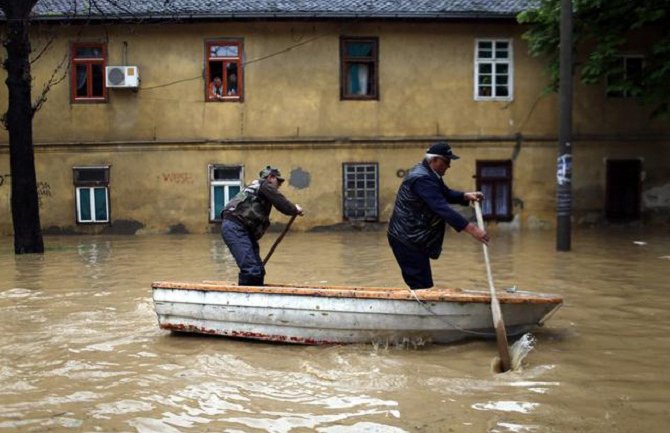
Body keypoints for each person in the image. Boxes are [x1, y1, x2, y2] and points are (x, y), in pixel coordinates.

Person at [387, 142, 489, 290]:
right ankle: (422, 311)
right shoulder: (422, 178)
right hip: (406, 238)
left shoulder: (429, 173)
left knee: (423, 284)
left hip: (414, 237)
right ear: (434, 160)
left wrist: (465, 196)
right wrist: (472, 229)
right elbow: (441, 207)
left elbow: (444, 193)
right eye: (446, 162)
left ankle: (423, 308)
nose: (449, 166)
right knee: (421, 285)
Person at [221, 166, 303, 286]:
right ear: (271, 177)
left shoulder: (256, 187)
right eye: (278, 181)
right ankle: (245, 299)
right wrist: (294, 209)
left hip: (243, 230)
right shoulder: (264, 185)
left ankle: (254, 294)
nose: (279, 185)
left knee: (258, 271)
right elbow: (282, 204)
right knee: (252, 270)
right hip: (236, 228)